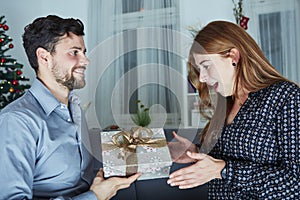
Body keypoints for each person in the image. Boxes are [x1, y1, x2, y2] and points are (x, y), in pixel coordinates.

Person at [0, 15, 140, 200]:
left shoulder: (73, 106)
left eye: (83, 52)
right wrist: (94, 197)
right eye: (74, 52)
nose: (85, 61)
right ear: (44, 57)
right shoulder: (17, 121)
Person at [167, 20, 300, 199]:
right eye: (200, 70)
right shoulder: (227, 103)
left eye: (206, 66)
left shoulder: (285, 97)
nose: (203, 78)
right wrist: (196, 153)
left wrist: (224, 170)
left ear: (234, 57)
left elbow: (294, 183)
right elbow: (223, 160)